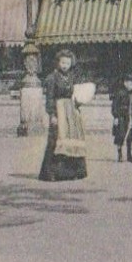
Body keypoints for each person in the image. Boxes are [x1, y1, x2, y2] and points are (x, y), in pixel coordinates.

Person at [38, 49, 88, 181]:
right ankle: (51, 173)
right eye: (63, 62)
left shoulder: (72, 77)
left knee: (72, 138)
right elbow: (49, 98)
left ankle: (72, 172)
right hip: (58, 110)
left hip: (71, 111)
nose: (65, 65)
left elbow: (76, 94)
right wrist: (52, 115)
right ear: (58, 63)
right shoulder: (52, 78)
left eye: (68, 62)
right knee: (56, 139)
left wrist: (78, 105)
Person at [110, 75, 132, 162]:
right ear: (125, 83)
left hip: (130, 117)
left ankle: (130, 155)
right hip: (121, 116)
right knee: (120, 135)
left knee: (130, 137)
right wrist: (116, 116)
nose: (130, 85)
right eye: (129, 83)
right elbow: (114, 106)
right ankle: (120, 154)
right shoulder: (120, 93)